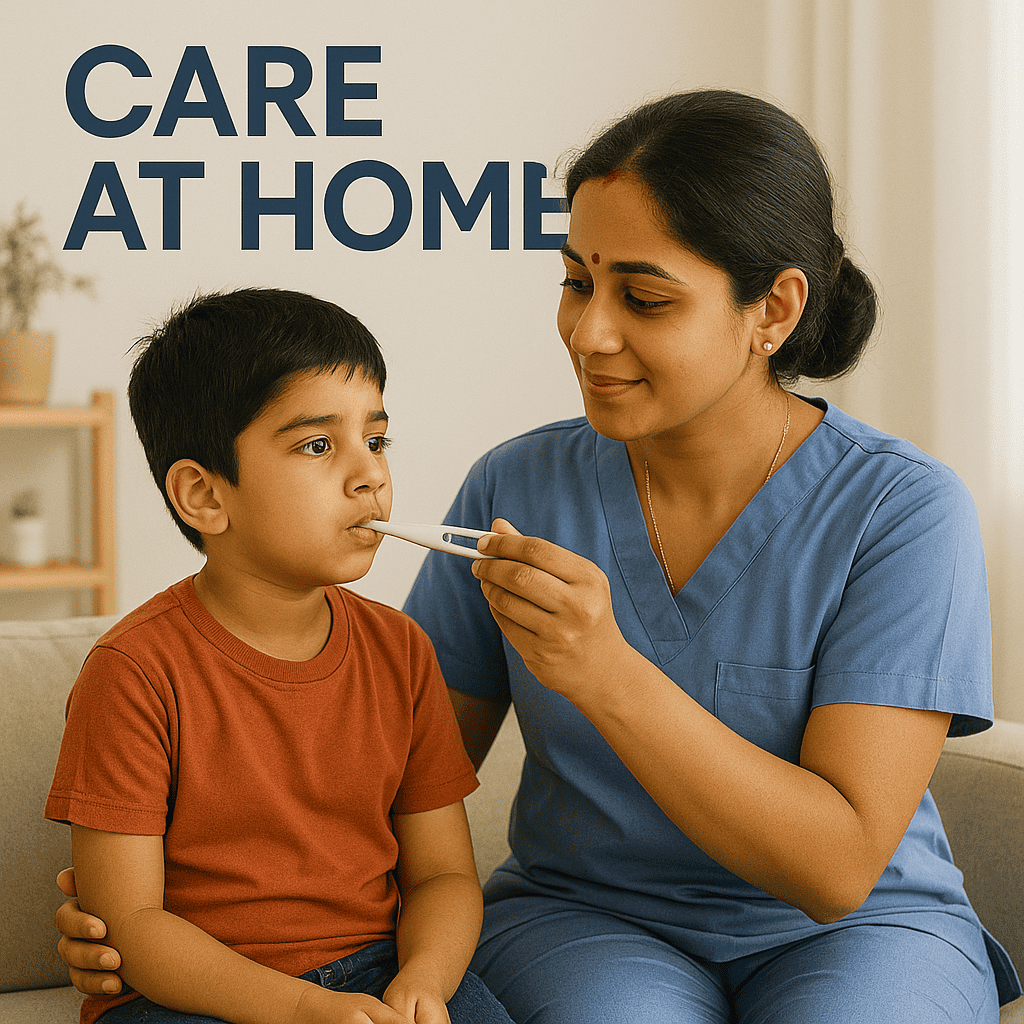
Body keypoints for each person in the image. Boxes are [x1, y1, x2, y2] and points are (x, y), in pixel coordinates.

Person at [54, 91, 1022, 1022]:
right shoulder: (516, 487)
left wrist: (606, 673)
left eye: (642, 297)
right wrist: (145, 910)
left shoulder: (903, 510)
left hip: (858, 927)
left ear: (773, 310)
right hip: (587, 922)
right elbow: (370, 779)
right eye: (575, 282)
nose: (587, 332)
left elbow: (836, 867)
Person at [44, 288, 514, 1024]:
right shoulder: (133, 672)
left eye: (377, 439)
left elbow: (446, 877)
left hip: (379, 969)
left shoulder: (402, 652)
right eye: (318, 445)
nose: (370, 475)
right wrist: (300, 1010)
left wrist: (424, 980)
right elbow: (133, 927)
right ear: (203, 494)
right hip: (194, 995)